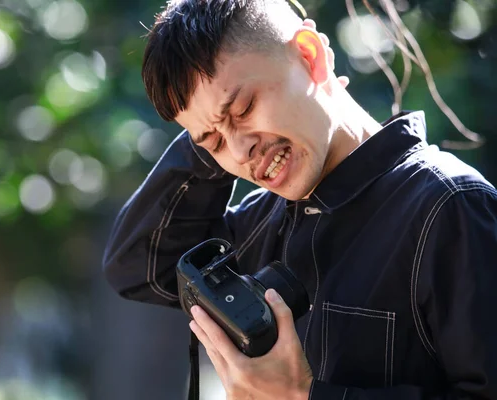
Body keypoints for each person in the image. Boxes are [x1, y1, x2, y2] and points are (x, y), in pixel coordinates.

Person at [103, 0, 497, 398]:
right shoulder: (261, 224)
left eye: (244, 107)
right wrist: (211, 122)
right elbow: (140, 267)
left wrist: (303, 395)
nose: (238, 153)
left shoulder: (450, 205)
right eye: (214, 144)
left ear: (310, 56)